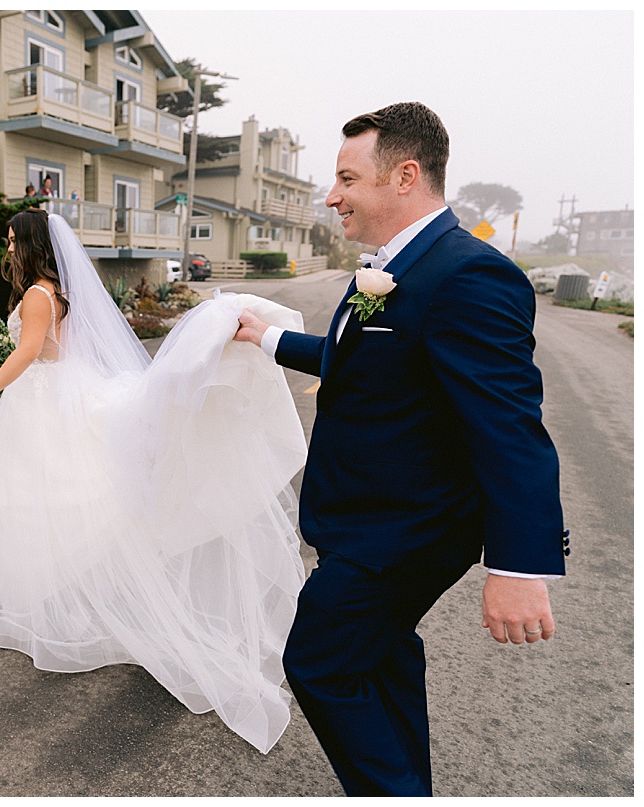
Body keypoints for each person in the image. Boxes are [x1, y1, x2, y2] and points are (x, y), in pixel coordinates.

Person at [233, 102, 566, 796]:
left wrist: (518, 563)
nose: (332, 196)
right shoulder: (388, 270)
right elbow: (354, 358)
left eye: (347, 178)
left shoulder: (468, 274)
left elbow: (510, 425)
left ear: (404, 176)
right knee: (380, 656)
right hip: (360, 521)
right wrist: (262, 336)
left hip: (401, 536)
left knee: (319, 661)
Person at [0, 207, 310, 754]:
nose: (7, 250)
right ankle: (48, 571)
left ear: (29, 246)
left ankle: (38, 581)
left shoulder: (33, 296)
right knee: (55, 492)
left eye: (10, 241)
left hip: (42, 398)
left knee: (33, 493)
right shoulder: (57, 291)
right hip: (61, 389)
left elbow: (28, 352)